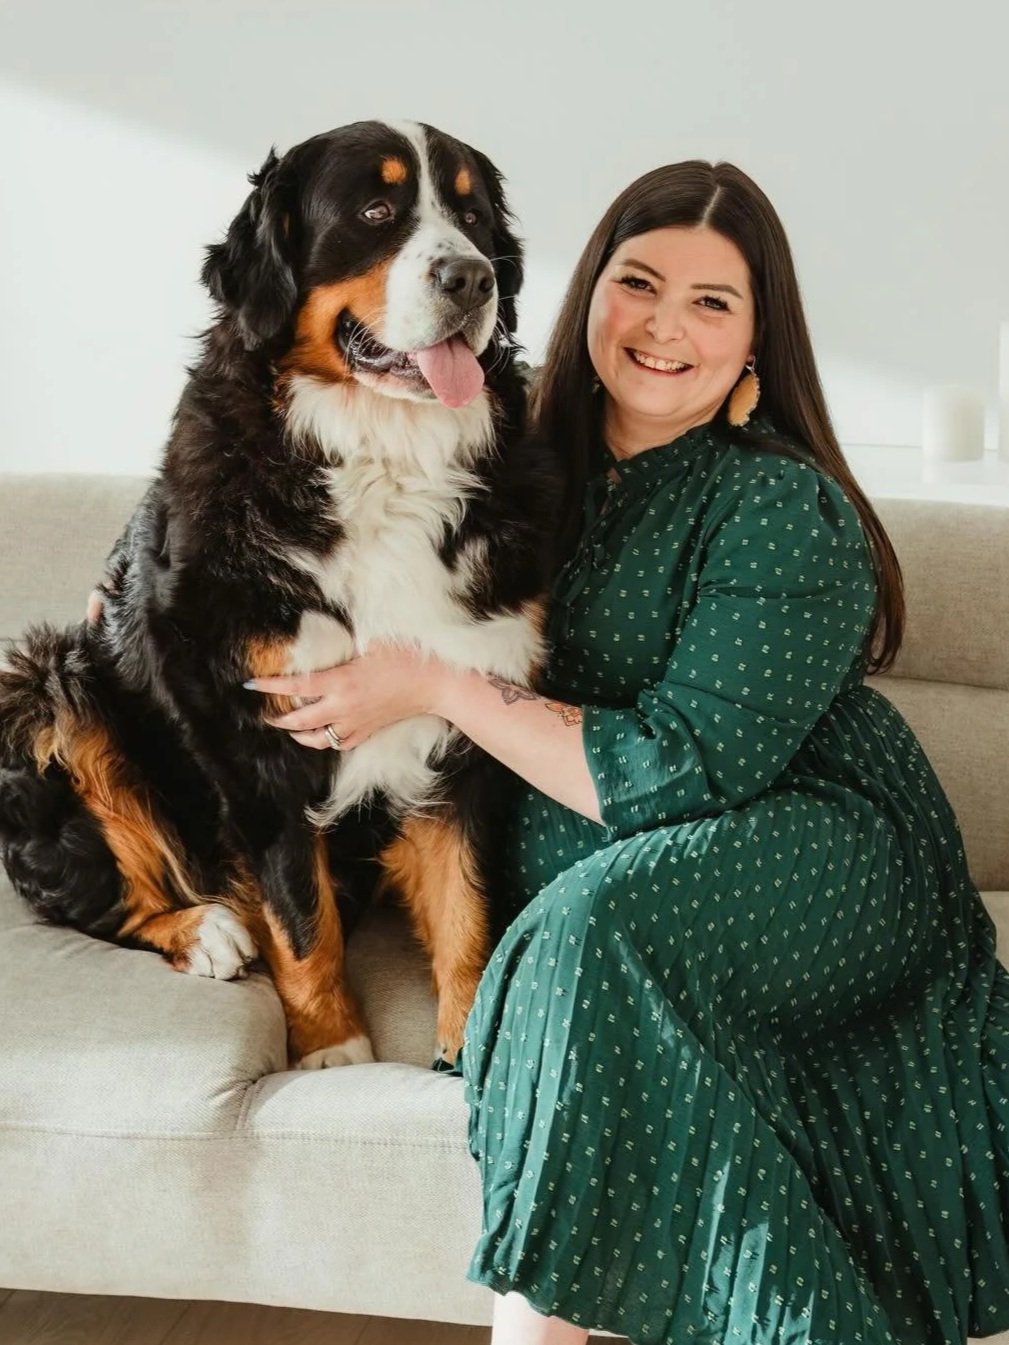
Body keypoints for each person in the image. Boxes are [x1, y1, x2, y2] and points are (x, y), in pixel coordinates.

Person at [248, 161, 1009, 1345]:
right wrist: (136, 598)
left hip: (812, 840)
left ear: (759, 341)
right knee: (583, 936)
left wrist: (438, 681)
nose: (665, 325)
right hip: (610, 884)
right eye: (637, 282)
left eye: (714, 302)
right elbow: (274, 481)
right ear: (583, 293)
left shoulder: (776, 508)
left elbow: (675, 775)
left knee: (591, 925)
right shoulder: (495, 453)